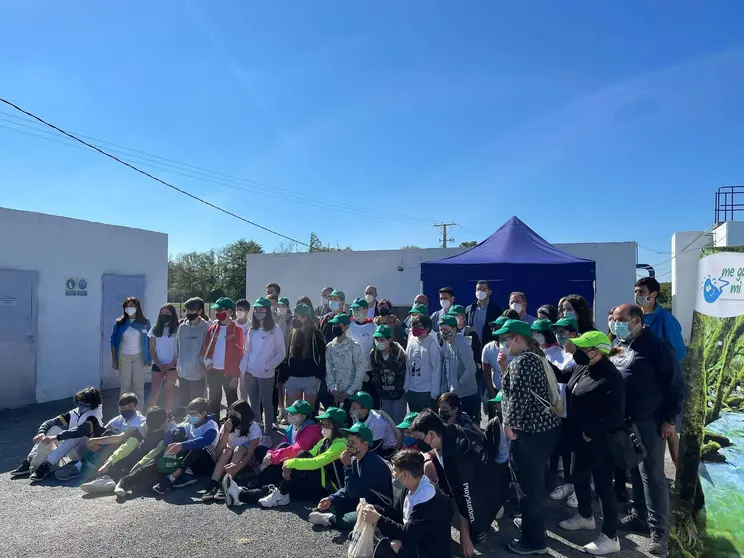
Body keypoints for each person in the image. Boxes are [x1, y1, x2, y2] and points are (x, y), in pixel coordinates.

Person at [611, 304, 684, 556]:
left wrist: (670, 420)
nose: (615, 323)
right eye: (613, 319)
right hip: (625, 421)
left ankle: (659, 532)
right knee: (634, 468)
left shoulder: (657, 346)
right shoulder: (621, 343)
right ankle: (639, 515)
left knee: (652, 476)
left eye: (620, 320)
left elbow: (675, 383)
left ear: (637, 321)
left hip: (650, 421)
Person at [494, 319, 562, 555]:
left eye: (505, 339)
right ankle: (534, 526)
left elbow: (517, 399)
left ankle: (534, 542)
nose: (501, 344)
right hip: (544, 430)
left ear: (517, 339)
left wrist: (508, 424)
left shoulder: (523, 362)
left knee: (528, 487)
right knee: (534, 484)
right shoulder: (535, 357)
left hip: (530, 433)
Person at [557, 331, 626, 555]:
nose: (576, 352)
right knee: (578, 476)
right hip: (579, 438)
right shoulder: (582, 367)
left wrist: (592, 433)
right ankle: (586, 516)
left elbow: (616, 417)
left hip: (599, 443)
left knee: (605, 487)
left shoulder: (611, 377)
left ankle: (610, 536)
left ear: (598, 351)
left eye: (582, 349)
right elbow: (560, 374)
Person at [409, 409, 506, 556]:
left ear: (431, 434)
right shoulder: (451, 430)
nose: (420, 442)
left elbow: (466, 497)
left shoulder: (457, 459)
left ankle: (484, 522)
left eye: (421, 438)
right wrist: (428, 458)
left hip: (483, 491)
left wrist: (465, 534)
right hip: (491, 477)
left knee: (455, 515)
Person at [245, 406, 348, 508]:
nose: (323, 428)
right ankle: (242, 494)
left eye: (327, 425)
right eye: (323, 425)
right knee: (283, 486)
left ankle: (276, 493)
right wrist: (289, 464)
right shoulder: (326, 440)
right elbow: (311, 453)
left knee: (289, 480)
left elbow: (316, 462)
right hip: (317, 482)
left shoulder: (340, 445)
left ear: (336, 426)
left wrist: (289, 464)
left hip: (327, 490)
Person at [360, 450, 453, 558]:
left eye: (394, 471)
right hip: (415, 538)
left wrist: (378, 519)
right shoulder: (409, 487)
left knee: (387, 549)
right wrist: (376, 510)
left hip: (429, 550)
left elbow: (409, 533)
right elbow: (396, 513)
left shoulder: (427, 497)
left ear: (405, 474)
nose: (393, 475)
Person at [634, 276, 686, 467]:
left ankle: (681, 477)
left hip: (661, 387)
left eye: (641, 292)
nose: (637, 296)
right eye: (636, 292)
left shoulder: (666, 320)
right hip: (641, 392)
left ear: (653, 295)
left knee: (669, 432)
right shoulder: (636, 317)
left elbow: (678, 353)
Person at [227, 400, 322, 501]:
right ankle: (260, 482)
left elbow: (296, 450)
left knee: (280, 450)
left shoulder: (311, 430)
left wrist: (273, 457)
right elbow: (281, 444)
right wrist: (270, 453)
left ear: (303, 417)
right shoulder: (292, 428)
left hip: (300, 469)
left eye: (294, 413)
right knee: (260, 450)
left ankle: (256, 484)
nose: (290, 415)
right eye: (290, 412)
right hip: (288, 463)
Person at [307, 423, 393, 530]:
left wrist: (347, 466)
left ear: (365, 444)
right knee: (335, 505)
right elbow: (348, 489)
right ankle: (334, 514)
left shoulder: (372, 464)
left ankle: (329, 520)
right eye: (348, 443)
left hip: (380, 507)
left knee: (351, 520)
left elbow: (353, 491)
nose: (349, 446)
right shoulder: (357, 458)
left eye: (353, 443)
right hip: (364, 499)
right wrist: (331, 499)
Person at [12, 387, 104, 481]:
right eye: (79, 403)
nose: (80, 406)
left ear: (93, 404)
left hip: (86, 453)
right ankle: (31, 462)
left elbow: (80, 431)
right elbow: (50, 422)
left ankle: (47, 465)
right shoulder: (75, 412)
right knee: (52, 429)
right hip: (72, 451)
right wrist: (41, 433)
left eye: (84, 404)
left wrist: (56, 437)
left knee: (73, 435)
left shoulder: (95, 416)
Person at [80, 406, 170, 495]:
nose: (153, 431)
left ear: (164, 423)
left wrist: (139, 464)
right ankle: (108, 478)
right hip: (143, 453)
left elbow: (156, 452)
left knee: (152, 462)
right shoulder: (145, 426)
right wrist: (109, 462)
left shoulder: (170, 429)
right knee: (130, 453)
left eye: (156, 429)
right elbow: (128, 446)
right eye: (152, 429)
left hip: (155, 458)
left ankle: (115, 480)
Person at [152, 397, 219, 494]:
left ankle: (172, 477)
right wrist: (171, 444)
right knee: (177, 435)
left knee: (196, 446)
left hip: (208, 464)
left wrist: (181, 445)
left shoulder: (211, 425)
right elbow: (171, 433)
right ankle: (184, 473)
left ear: (203, 414)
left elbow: (207, 440)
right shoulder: (190, 424)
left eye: (193, 414)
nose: (189, 416)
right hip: (192, 462)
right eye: (188, 414)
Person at [201, 400, 262, 501]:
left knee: (240, 448)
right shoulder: (227, 425)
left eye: (235, 414)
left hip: (244, 461)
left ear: (244, 415)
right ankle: (214, 483)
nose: (231, 416)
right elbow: (217, 453)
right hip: (226, 459)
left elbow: (250, 453)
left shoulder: (253, 427)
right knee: (227, 450)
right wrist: (226, 432)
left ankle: (226, 483)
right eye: (230, 413)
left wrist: (237, 467)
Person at [240, 296, 286, 429]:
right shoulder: (252, 329)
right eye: (256, 309)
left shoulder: (275, 329)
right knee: (253, 402)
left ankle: (268, 430)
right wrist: (244, 367)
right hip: (250, 371)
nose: (258, 312)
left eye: (262, 309)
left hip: (266, 373)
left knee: (266, 402)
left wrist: (268, 366)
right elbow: (247, 350)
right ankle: (256, 428)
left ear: (267, 311)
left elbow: (281, 353)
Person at [201, 297, 244, 418]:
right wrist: (207, 361)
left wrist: (235, 376)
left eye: (220, 310)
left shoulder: (237, 330)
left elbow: (239, 354)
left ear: (230, 311)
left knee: (232, 402)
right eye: (216, 310)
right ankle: (214, 427)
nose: (217, 313)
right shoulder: (213, 328)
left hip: (229, 373)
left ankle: (234, 428)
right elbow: (205, 348)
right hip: (213, 371)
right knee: (214, 401)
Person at [282, 304, 326, 416]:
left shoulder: (316, 334)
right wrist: (286, 374)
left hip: (310, 378)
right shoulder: (292, 332)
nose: (294, 319)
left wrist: (319, 376)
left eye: (296, 317)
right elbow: (288, 354)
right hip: (293, 377)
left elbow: (322, 357)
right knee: (293, 413)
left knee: (308, 413)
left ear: (305, 317)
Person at [109, 297, 151, 405]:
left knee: (139, 387)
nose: (129, 308)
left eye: (132, 306)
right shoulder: (119, 322)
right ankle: (123, 413)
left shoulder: (145, 322)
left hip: (139, 357)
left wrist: (149, 358)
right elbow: (113, 341)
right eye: (127, 306)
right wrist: (114, 359)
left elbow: (149, 340)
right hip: (124, 357)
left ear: (137, 307)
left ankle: (139, 414)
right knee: (125, 387)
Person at [439, 315, 479, 422]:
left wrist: (457, 384)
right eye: (441, 329)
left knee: (468, 427)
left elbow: (471, 369)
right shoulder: (446, 344)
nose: (443, 332)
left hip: (467, 395)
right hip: (454, 394)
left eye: (446, 329)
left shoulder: (462, 344)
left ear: (454, 329)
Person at [325, 313, 366, 412]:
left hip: (353, 393)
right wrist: (332, 389)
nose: (335, 327)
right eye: (334, 325)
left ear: (346, 327)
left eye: (338, 325)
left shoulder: (354, 346)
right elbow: (328, 369)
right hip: (336, 394)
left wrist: (349, 392)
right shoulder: (330, 347)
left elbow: (360, 371)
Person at [175, 297, 209, 417]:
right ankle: (186, 423)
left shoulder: (206, 327)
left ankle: (199, 423)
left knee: (197, 402)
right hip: (183, 371)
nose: (188, 313)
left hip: (198, 372)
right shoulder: (182, 327)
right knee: (184, 401)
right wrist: (178, 364)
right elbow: (177, 347)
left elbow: (207, 349)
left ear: (200, 311)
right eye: (187, 310)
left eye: (191, 310)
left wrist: (202, 365)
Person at [370, 325, 408, 424]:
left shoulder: (399, 353)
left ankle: (399, 439)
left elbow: (402, 375)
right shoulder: (374, 354)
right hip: (383, 394)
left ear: (389, 339)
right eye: (377, 340)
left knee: (398, 418)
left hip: (398, 394)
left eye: (382, 340)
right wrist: (381, 392)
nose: (379, 342)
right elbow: (376, 374)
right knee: (385, 419)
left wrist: (397, 392)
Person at [404, 314, 442, 412]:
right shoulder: (411, 342)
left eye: (419, 325)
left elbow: (436, 370)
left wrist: (434, 393)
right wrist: (407, 387)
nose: (415, 328)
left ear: (427, 328)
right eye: (413, 325)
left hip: (426, 392)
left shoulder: (432, 344)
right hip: (412, 390)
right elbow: (407, 366)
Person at [148, 303, 180, 413]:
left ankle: (168, 415)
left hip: (173, 365)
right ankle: (151, 414)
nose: (164, 314)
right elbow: (152, 349)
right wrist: (158, 363)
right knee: (155, 391)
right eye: (162, 313)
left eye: (167, 312)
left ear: (172, 314)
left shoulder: (178, 328)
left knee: (169, 391)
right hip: (158, 365)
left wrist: (173, 363)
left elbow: (181, 349)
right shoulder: (155, 329)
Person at [349, 391, 400, 458]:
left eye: (354, 408)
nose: (351, 410)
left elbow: (377, 447)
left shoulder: (378, 422)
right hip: (367, 444)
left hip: (385, 449)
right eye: (352, 406)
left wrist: (356, 453)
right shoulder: (357, 416)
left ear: (365, 410)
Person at [466, 280, 504, 346]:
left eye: (483, 289)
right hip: (472, 347)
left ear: (489, 292)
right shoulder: (469, 309)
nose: (480, 291)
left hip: (488, 346)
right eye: (478, 289)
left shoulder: (497, 310)